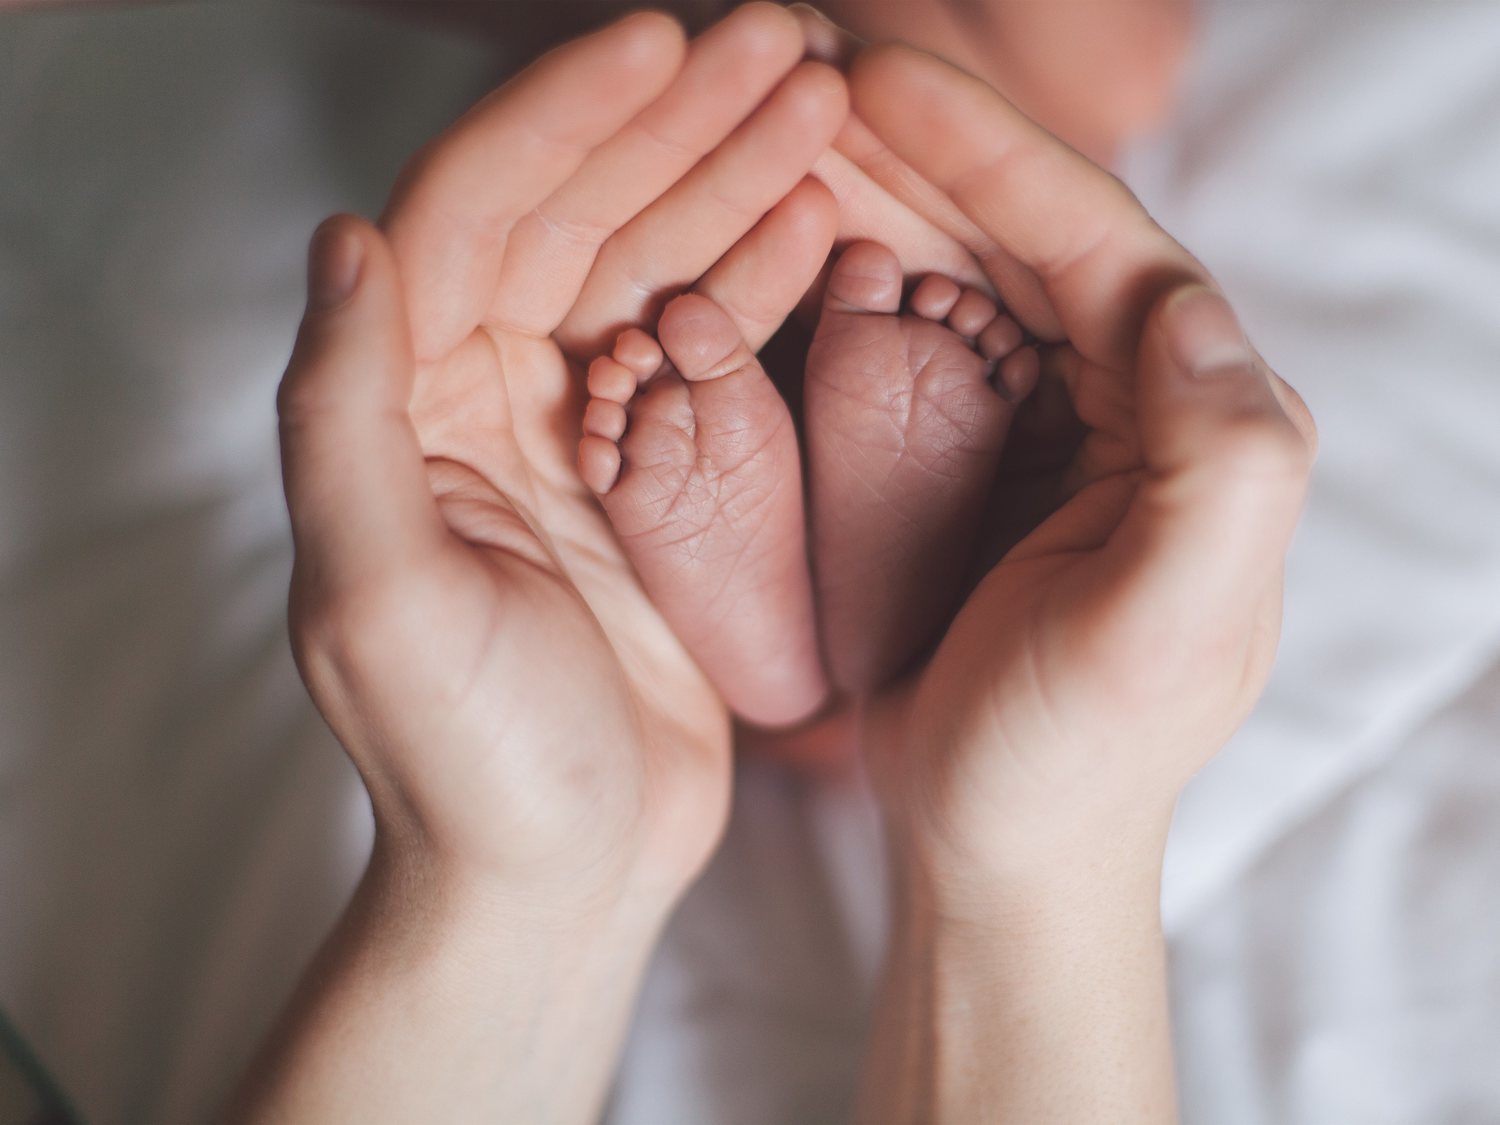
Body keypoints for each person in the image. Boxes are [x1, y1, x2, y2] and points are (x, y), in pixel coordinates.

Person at [230, 6, 1315, 1123]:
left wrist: (514, 879)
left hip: (641, 211)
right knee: (1104, 75)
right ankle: (846, 643)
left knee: (596, 218)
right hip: (855, 197)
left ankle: (797, 656)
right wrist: (1036, 874)